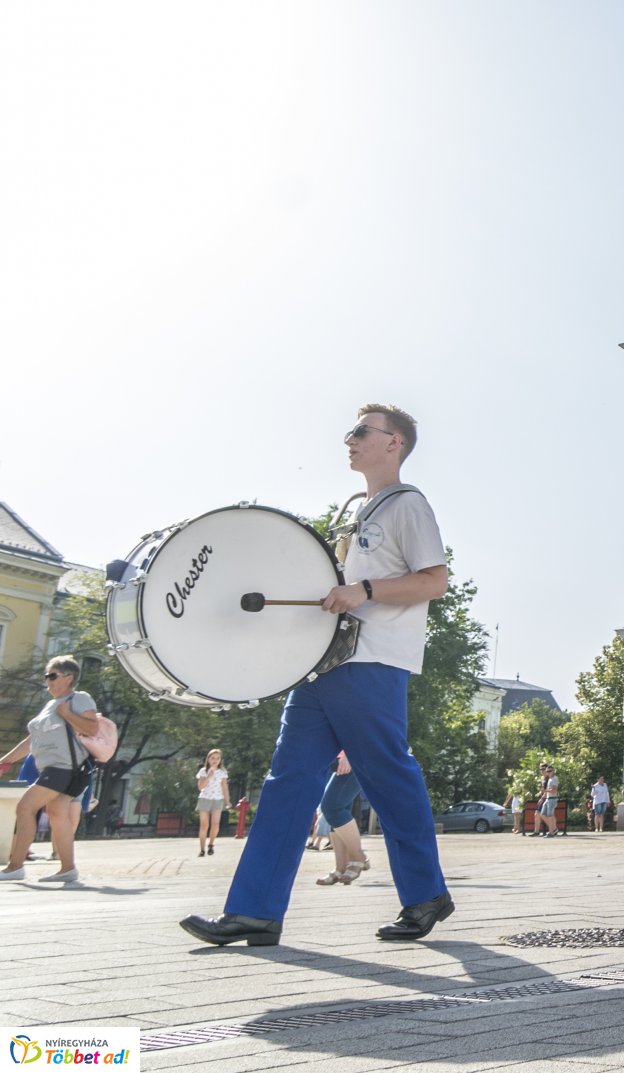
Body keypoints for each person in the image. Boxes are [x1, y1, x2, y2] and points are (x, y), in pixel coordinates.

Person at [180, 403, 454, 947]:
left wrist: (365, 592)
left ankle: (426, 894)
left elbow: (434, 581)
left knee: (388, 778)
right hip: (322, 665)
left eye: (361, 432)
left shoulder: (408, 505)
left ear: (394, 442)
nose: (349, 440)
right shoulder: (358, 511)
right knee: (287, 784)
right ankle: (254, 911)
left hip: (373, 660)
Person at [0, 655, 102, 884]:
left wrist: (67, 714)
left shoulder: (79, 698)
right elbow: (31, 741)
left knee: (26, 806)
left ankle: (14, 867)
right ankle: (68, 869)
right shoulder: (50, 704)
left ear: (69, 677)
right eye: (47, 675)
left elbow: (92, 728)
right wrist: (5, 761)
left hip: (64, 767)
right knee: (57, 815)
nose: (47, 680)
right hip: (54, 767)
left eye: (52, 675)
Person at [315, 753, 373, 886]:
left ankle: (358, 858)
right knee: (335, 814)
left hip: (355, 755)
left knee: (332, 807)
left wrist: (348, 755)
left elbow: (359, 731)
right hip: (334, 758)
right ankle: (340, 868)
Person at [195, 750, 230, 858]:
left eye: (217, 758)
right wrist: (208, 777)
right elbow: (200, 787)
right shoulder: (203, 771)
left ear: (220, 760)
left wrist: (227, 800)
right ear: (208, 759)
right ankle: (202, 849)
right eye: (213, 758)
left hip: (218, 799)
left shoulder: (222, 772)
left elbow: (224, 787)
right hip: (205, 798)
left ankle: (211, 844)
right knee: (204, 825)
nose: (215, 760)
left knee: (215, 824)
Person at [533, 764, 559, 837]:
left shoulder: (553, 778)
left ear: (553, 771)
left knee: (549, 815)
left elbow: (554, 790)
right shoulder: (546, 778)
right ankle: (553, 829)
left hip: (550, 798)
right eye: (541, 769)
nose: (544, 771)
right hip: (547, 798)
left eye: (548, 771)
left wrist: (544, 793)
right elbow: (544, 789)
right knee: (542, 814)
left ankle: (552, 831)